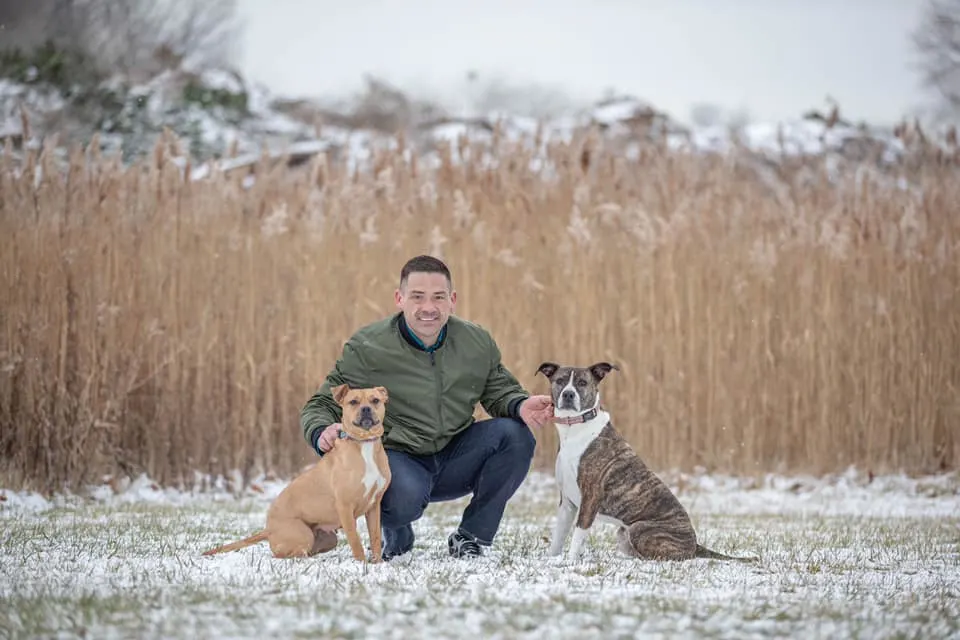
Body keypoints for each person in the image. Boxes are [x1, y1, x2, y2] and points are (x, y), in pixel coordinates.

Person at [300, 255, 554, 560]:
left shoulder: (476, 341)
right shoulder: (368, 347)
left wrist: (520, 403)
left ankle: (470, 536)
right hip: (398, 460)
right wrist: (320, 432)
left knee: (515, 434)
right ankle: (396, 529)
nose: (429, 308)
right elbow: (322, 403)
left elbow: (498, 389)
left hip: (457, 454)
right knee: (399, 498)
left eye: (438, 297)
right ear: (400, 299)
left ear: (453, 300)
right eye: (417, 297)